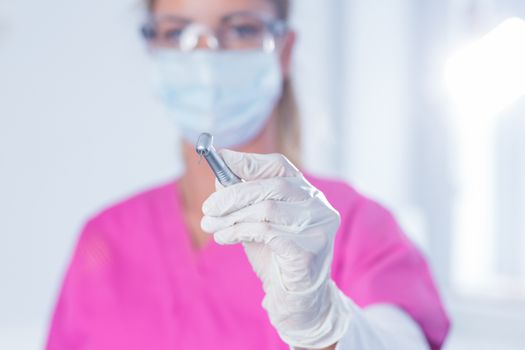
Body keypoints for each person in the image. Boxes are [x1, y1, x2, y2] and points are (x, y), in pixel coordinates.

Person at [46, 0, 450, 349]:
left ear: (284, 51)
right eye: (176, 32)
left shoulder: (354, 225)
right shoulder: (105, 240)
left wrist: (322, 322)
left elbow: (401, 341)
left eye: (240, 28)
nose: (205, 55)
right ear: (154, 49)